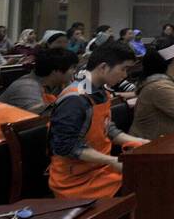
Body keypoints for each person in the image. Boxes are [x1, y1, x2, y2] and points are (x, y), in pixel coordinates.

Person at [47, 41, 148, 199]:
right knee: (144, 187)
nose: (125, 75)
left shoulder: (100, 91)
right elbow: (66, 146)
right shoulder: (75, 99)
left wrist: (139, 141)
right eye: (123, 69)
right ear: (103, 67)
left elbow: (107, 129)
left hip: (100, 169)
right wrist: (111, 160)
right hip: (75, 180)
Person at [0, 47, 76, 114]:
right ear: (56, 70)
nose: (74, 71)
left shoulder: (57, 84)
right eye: (72, 68)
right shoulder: (27, 86)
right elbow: (38, 117)